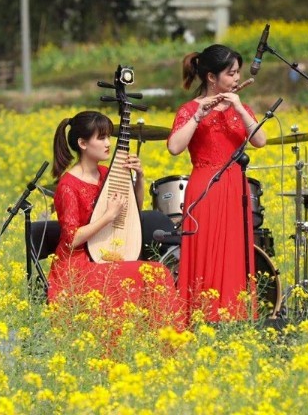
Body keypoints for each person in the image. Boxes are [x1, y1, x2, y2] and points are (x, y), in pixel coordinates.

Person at [48, 111, 179, 321]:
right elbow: (72, 239)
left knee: (158, 273)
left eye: (109, 136)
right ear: (82, 143)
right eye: (101, 138)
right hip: (78, 265)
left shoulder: (105, 173)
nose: (108, 143)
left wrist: (139, 177)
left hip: (106, 251)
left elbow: (132, 209)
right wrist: (108, 216)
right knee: (147, 274)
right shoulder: (68, 186)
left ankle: (163, 342)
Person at [167, 44, 266, 322]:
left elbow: (260, 140)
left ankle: (234, 318)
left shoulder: (241, 107)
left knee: (235, 254)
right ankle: (200, 318)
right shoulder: (189, 109)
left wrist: (239, 109)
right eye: (231, 74)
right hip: (205, 187)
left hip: (236, 187)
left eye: (237, 74)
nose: (236, 79)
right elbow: (174, 147)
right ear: (211, 77)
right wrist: (198, 116)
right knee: (204, 251)